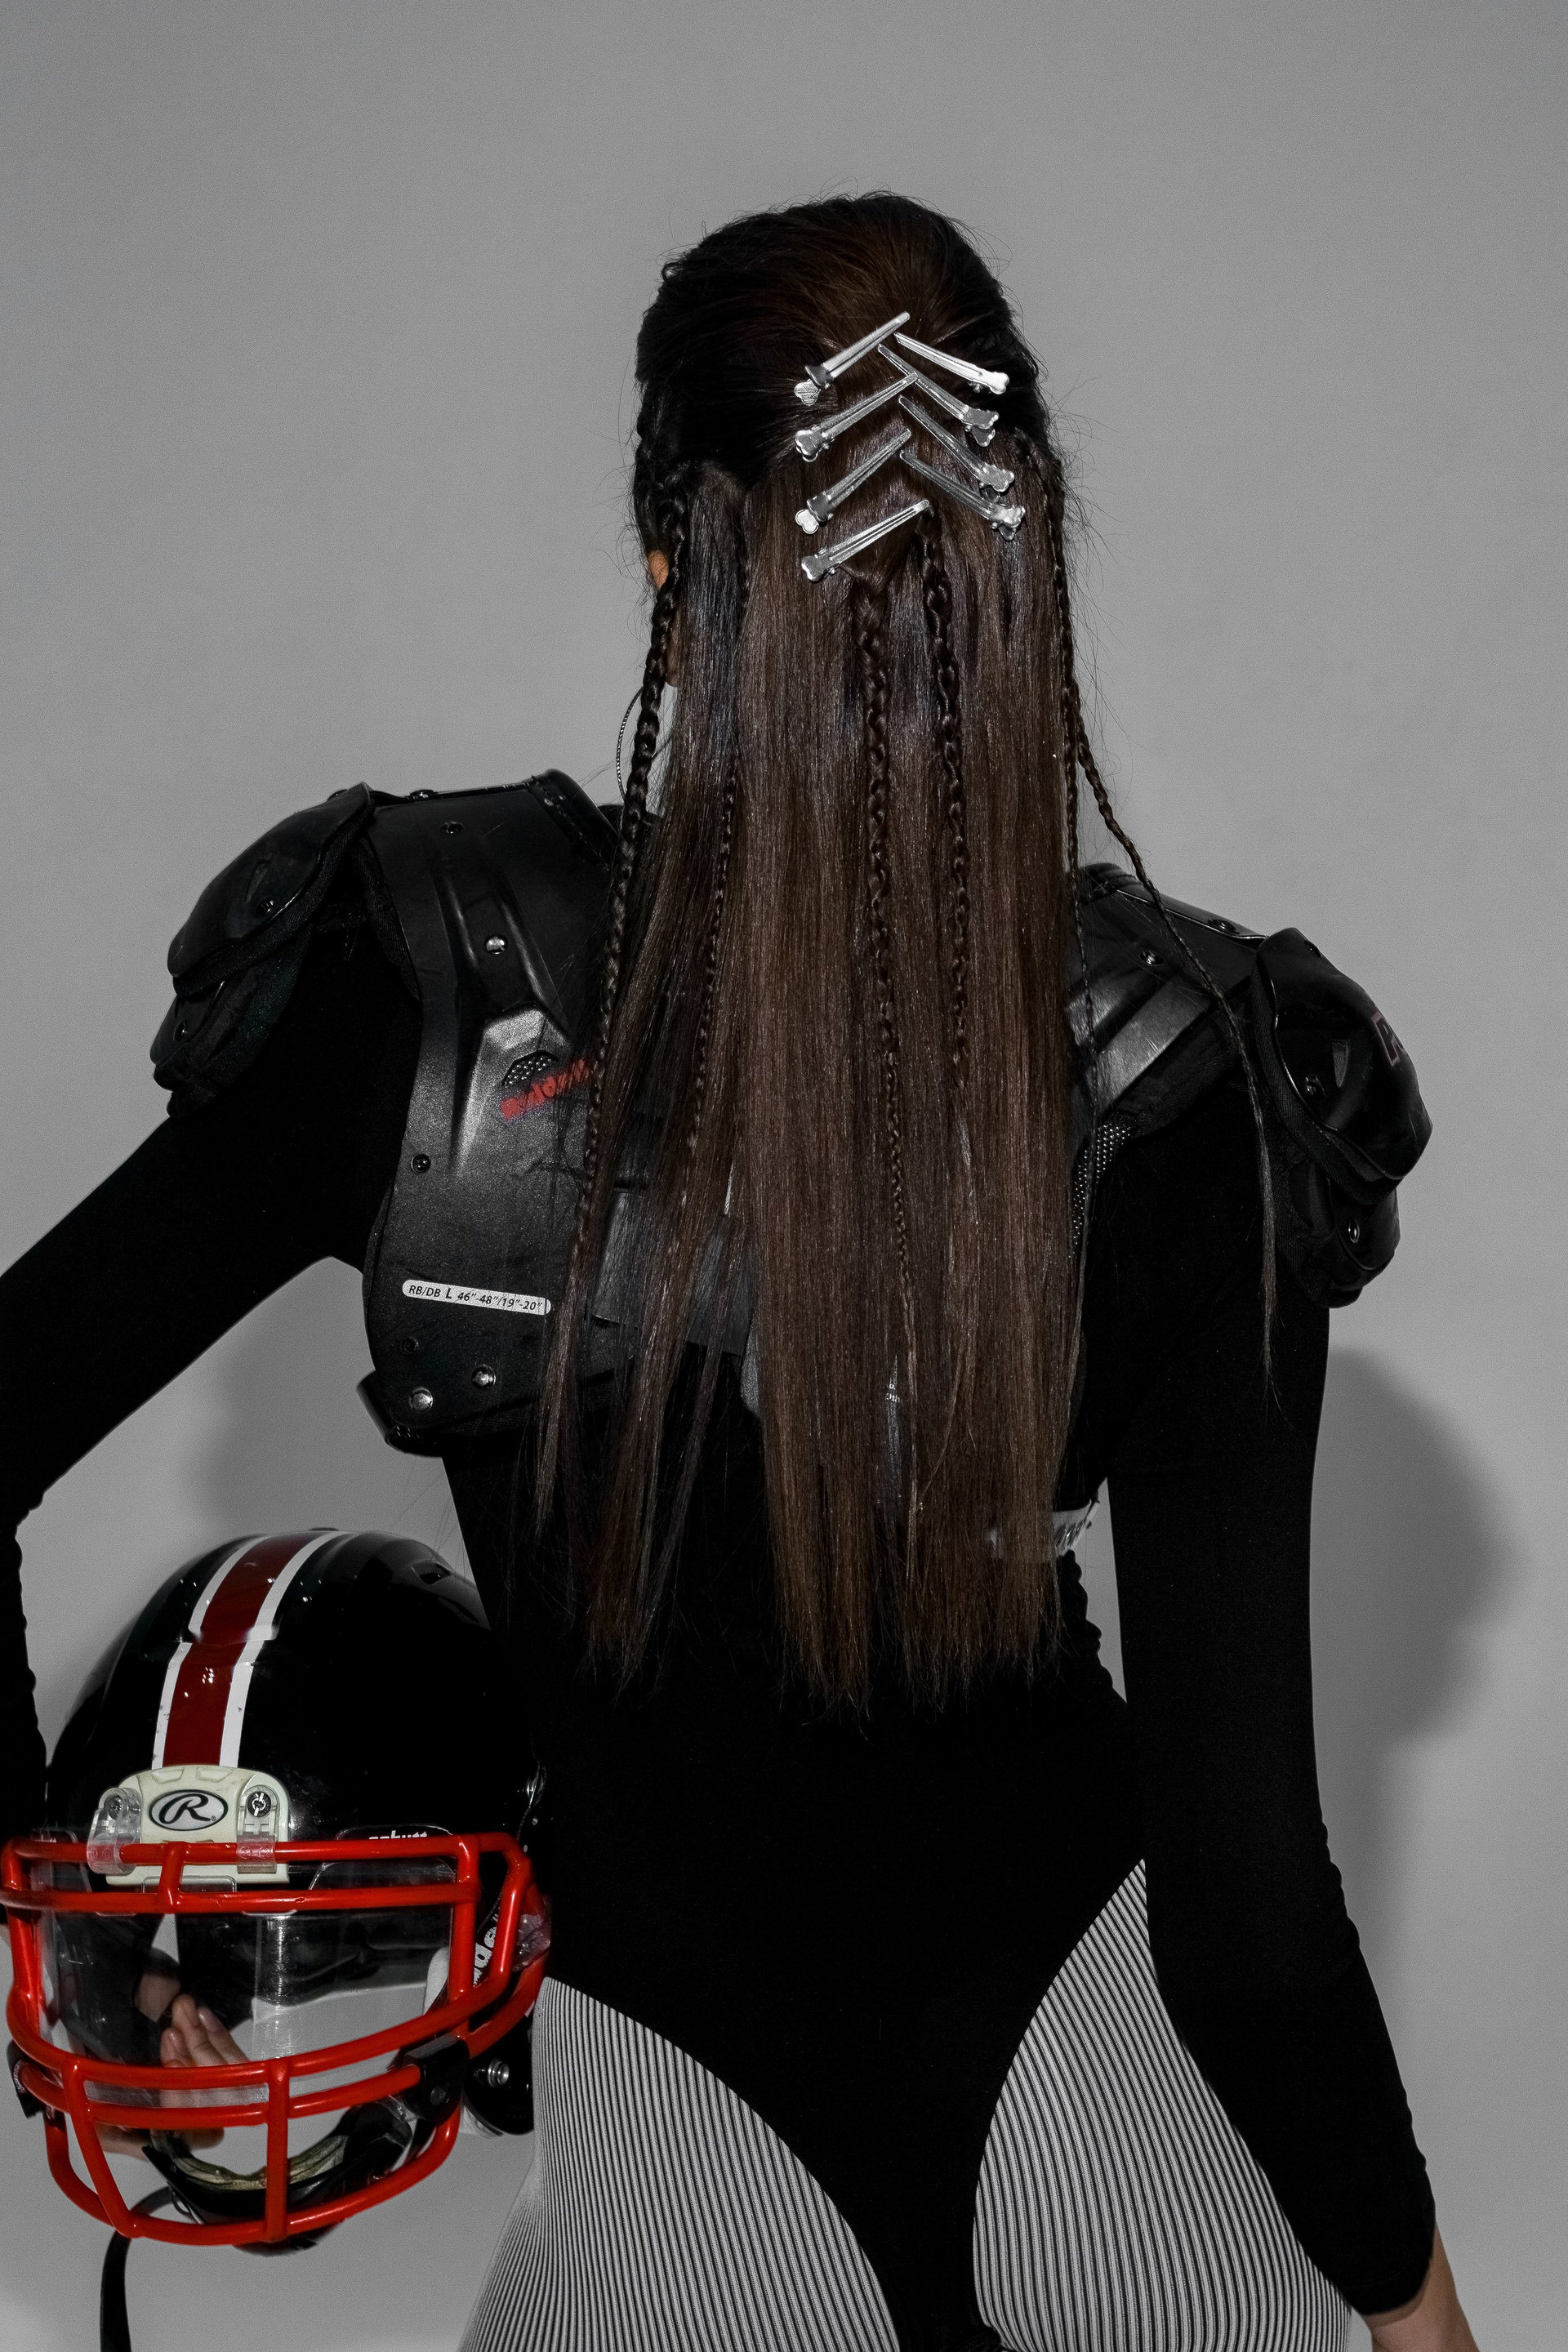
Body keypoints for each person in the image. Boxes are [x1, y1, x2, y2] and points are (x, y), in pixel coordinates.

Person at [1, 194, 1477, 2352]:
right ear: (1017, 575)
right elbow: (1250, 1918)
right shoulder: (1189, 1078)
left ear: (668, 570)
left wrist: (107, 1937)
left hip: (671, 2170)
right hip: (1109, 2118)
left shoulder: (414, 992)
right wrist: (1422, 2315)